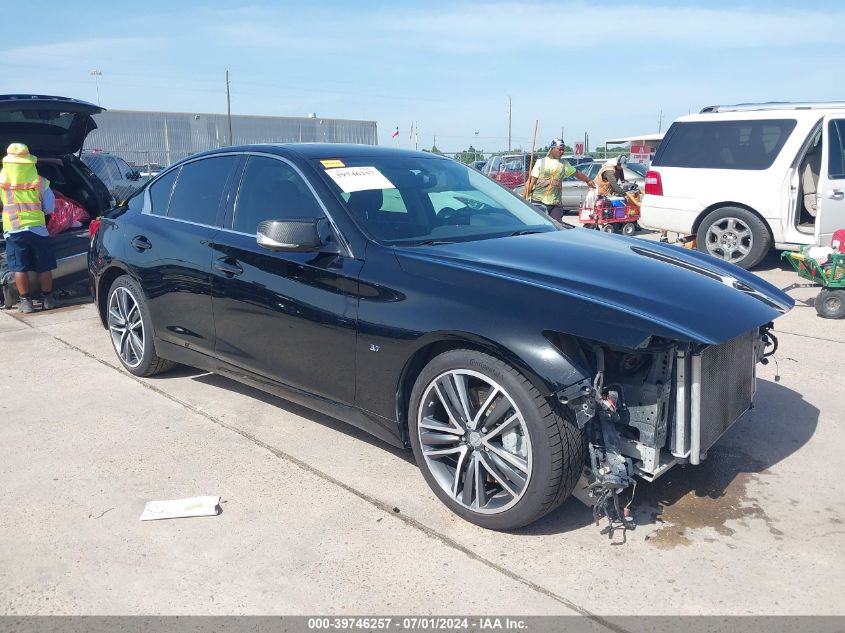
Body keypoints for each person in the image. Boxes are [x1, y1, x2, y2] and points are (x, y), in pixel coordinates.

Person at [0, 143, 57, 313]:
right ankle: (48, 300)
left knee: (19, 268)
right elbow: (49, 208)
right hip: (38, 230)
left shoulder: (2, 183)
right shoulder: (41, 182)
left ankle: (26, 303)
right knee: (44, 266)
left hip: (14, 230)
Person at [524, 138, 594, 221]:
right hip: (539, 201)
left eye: (563, 150)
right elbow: (531, 182)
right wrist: (524, 197)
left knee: (556, 225)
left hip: (555, 203)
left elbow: (577, 173)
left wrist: (588, 180)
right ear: (552, 148)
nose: (562, 152)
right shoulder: (541, 162)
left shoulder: (564, 164)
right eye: (559, 149)